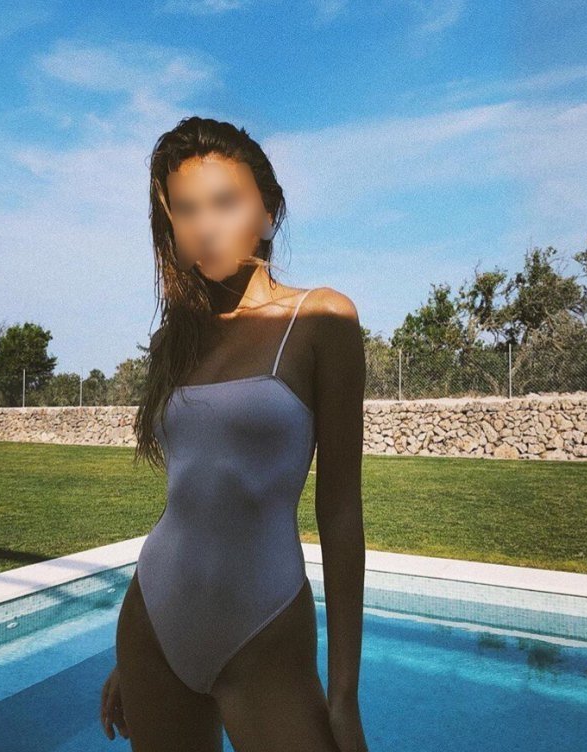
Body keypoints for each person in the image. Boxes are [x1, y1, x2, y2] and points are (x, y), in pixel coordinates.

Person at [100, 116, 368, 752]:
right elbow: (190, 492)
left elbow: (340, 511)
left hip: (263, 630)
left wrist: (344, 695)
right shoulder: (173, 341)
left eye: (226, 202)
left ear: (267, 212)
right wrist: (130, 663)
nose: (206, 226)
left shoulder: (321, 319)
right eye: (186, 209)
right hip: (153, 622)